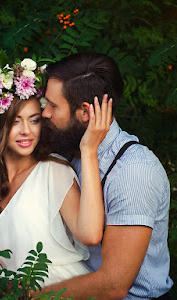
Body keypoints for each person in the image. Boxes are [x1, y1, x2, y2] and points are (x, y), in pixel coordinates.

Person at [0, 56, 112, 286]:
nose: (27, 131)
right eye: (16, 121)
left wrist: (88, 149)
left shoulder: (52, 172)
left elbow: (90, 235)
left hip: (61, 291)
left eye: (34, 120)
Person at [32, 52, 173, 299]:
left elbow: (113, 285)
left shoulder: (133, 172)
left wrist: (30, 296)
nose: (45, 114)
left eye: (53, 106)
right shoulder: (71, 151)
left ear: (85, 113)